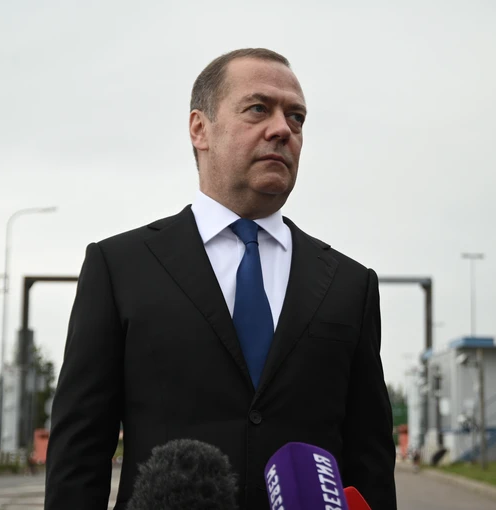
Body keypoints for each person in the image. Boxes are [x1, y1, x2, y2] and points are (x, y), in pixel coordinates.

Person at [44, 48, 397, 510]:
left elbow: (371, 461)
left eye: (296, 118)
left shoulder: (350, 284)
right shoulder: (119, 266)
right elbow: (79, 452)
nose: (282, 129)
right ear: (200, 129)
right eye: (258, 109)